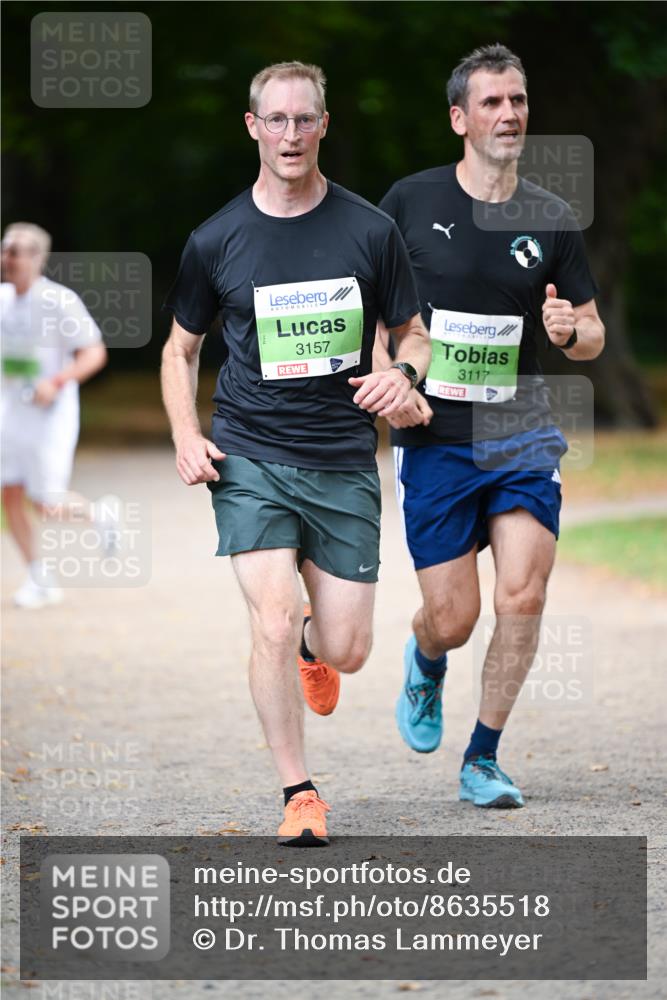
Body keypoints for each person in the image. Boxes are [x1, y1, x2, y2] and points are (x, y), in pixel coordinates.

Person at [161, 61, 431, 845]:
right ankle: (299, 792)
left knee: (344, 648)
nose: (288, 134)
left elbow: (412, 331)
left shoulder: (368, 230)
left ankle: (319, 643)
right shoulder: (215, 239)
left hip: (342, 457)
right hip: (249, 455)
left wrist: (404, 374)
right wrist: (186, 433)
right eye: (273, 120)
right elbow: (180, 350)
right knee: (271, 621)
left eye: (302, 119)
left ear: (322, 125)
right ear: (252, 127)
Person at [375, 44, 604, 808]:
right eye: (491, 103)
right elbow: (377, 316)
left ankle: (483, 756)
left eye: (517, 100)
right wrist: (393, 383)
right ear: (458, 118)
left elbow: (592, 334)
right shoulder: (407, 202)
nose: (508, 114)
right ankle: (427, 656)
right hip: (435, 435)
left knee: (522, 595)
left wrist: (569, 328)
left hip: (520, 434)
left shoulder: (550, 215)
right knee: (454, 617)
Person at [1, 223, 108, 610]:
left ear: (37, 258)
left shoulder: (59, 301)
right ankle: (38, 577)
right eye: (5, 250)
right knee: (9, 493)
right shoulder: (1, 300)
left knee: (45, 502)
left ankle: (99, 514)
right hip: (11, 413)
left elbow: (94, 352)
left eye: (15, 251)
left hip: (51, 414)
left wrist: (58, 381)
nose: (7, 258)